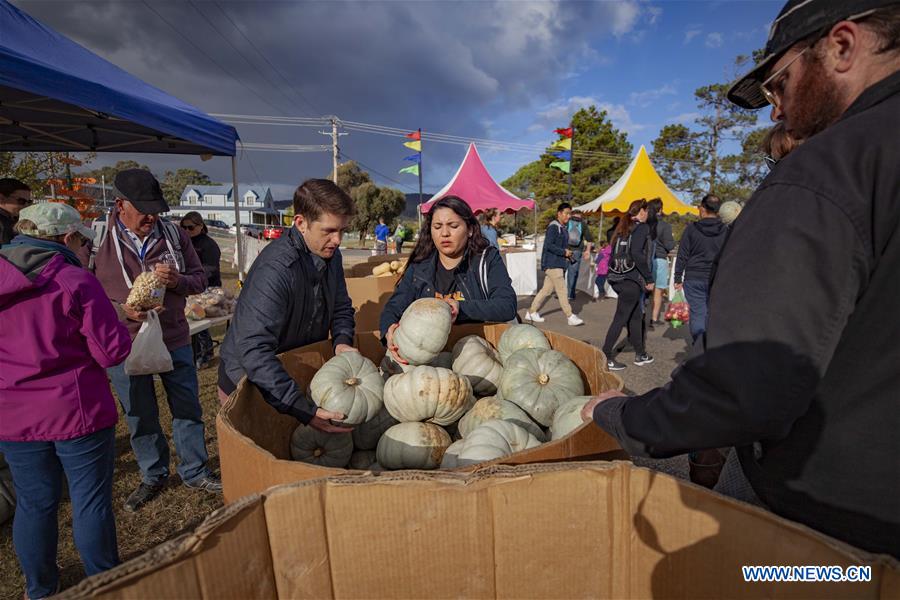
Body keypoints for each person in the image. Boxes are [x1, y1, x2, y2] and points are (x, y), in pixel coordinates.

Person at [584, 0, 900, 557]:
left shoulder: (828, 172)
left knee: (747, 582)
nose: (775, 111)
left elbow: (744, 388)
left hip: (824, 531)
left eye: (779, 84)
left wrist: (619, 414)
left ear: (843, 46)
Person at [0, 203, 132, 600]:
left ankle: (39, 588)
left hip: (14, 414)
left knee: (34, 502)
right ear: (66, 238)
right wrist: (127, 322)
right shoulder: (74, 279)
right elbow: (111, 353)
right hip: (76, 411)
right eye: (80, 240)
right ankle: (105, 583)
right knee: (89, 501)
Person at [92, 169, 219, 513]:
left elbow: (198, 280)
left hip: (173, 335)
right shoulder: (97, 240)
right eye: (144, 209)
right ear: (120, 205)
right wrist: (121, 311)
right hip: (125, 342)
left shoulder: (174, 235)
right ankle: (153, 474)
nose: (151, 217)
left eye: (156, 209)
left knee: (187, 407)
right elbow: (84, 295)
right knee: (139, 414)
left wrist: (178, 280)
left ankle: (194, 470)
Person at [219, 179, 355, 433]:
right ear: (301, 223)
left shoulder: (331, 255)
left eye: (342, 231)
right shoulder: (277, 269)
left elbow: (341, 307)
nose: (337, 240)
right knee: (257, 461)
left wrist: (342, 340)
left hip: (288, 374)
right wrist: (299, 406)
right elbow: (254, 349)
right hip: (249, 383)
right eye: (329, 230)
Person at [381, 196, 517, 362]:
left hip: (478, 356)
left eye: (453, 226)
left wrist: (461, 308)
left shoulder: (487, 260)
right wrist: (389, 331)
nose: (444, 233)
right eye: (437, 227)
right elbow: (393, 307)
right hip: (430, 362)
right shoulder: (419, 267)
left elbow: (507, 305)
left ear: (470, 230)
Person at [602, 199, 654, 370]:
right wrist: (649, 278)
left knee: (636, 316)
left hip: (617, 277)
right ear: (642, 211)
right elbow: (637, 254)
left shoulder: (623, 227)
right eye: (647, 211)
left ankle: (641, 354)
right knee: (621, 318)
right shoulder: (642, 228)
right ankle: (606, 356)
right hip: (631, 280)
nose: (648, 214)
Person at [672, 194, 727, 343]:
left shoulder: (691, 229)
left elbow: (682, 255)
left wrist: (677, 278)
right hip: (717, 278)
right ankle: (711, 344)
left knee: (698, 314)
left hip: (694, 277)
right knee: (712, 314)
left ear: (703, 209)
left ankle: (699, 345)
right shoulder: (725, 230)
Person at [524, 203, 584, 326]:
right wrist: (564, 252)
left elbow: (557, 244)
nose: (568, 216)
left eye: (570, 214)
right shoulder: (554, 227)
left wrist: (566, 252)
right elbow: (549, 245)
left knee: (546, 290)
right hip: (553, 264)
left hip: (557, 263)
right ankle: (570, 315)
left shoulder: (562, 227)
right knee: (562, 290)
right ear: (559, 213)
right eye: (566, 213)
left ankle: (531, 312)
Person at [180, 212, 221, 369]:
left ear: (201, 226)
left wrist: (191, 280)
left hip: (209, 290)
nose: (187, 230)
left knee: (199, 323)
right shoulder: (183, 243)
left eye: (190, 227)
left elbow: (210, 269)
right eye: (183, 227)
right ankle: (200, 353)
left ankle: (204, 355)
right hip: (190, 288)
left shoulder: (209, 245)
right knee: (193, 324)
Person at [645, 198, 675, 329]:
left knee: (644, 290)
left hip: (645, 260)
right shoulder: (665, 226)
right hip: (660, 259)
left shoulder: (645, 224)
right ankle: (654, 318)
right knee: (658, 291)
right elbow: (669, 244)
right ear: (660, 209)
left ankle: (640, 317)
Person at [564, 209, 594, 300]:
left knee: (561, 272)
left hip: (564, 250)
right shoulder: (583, 224)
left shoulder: (566, 222)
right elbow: (589, 239)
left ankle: (560, 293)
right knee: (573, 273)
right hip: (577, 251)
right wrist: (587, 251)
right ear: (580, 216)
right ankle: (570, 294)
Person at [0, 178, 32, 246]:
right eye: (21, 201)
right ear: (1, 198)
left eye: (29, 202)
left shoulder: (17, 219)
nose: (26, 205)